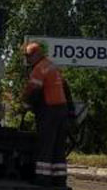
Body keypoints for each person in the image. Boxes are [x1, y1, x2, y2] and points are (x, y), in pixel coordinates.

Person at [22, 42, 72, 178]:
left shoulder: (39, 69)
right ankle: (59, 179)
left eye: (29, 55)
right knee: (58, 147)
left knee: (45, 145)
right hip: (62, 110)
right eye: (26, 56)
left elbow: (33, 90)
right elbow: (66, 88)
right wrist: (71, 112)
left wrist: (25, 105)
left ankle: (42, 179)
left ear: (38, 54)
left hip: (49, 111)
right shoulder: (52, 66)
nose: (27, 59)